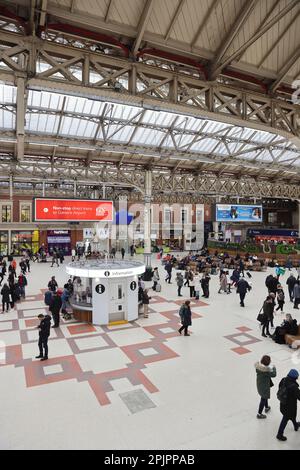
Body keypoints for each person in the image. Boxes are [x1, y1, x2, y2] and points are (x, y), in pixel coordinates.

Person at [276, 369, 300, 441]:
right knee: (285, 419)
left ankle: (296, 426)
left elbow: (280, 387)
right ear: (294, 378)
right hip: (290, 407)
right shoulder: (294, 387)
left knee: (291, 417)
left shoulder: (283, 380)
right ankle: (279, 434)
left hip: (283, 404)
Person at [255, 355, 277, 419]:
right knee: (263, 398)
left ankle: (266, 407)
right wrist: (274, 368)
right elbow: (274, 374)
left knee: (265, 396)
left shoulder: (258, 367)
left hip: (260, 384)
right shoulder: (266, 371)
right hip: (264, 387)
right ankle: (259, 414)